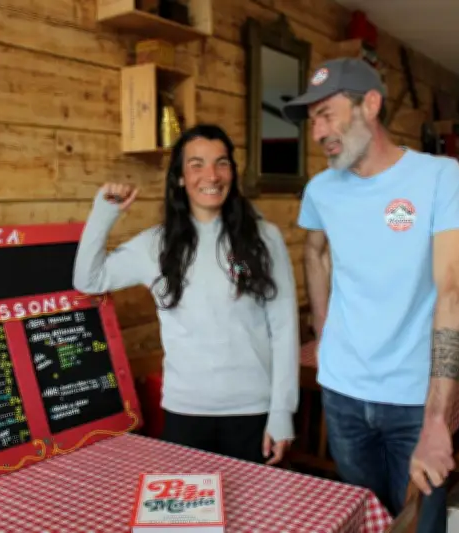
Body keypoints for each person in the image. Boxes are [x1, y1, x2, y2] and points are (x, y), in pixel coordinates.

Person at [282, 58, 459, 531]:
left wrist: (436, 420)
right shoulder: (321, 190)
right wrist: (325, 329)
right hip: (343, 392)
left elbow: (454, 293)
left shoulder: (439, 176)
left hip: (414, 397)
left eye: (327, 114)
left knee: (421, 523)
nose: (317, 133)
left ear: (370, 104)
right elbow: (313, 250)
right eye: (312, 122)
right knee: (364, 521)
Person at [72, 123, 300, 465]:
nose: (211, 174)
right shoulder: (155, 245)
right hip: (185, 413)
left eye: (221, 163)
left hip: (254, 412)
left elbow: (284, 329)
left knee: (256, 517)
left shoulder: (265, 238)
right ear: (179, 178)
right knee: (189, 519)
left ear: (232, 173)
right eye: (197, 164)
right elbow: (88, 279)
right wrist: (104, 214)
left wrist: (283, 412)